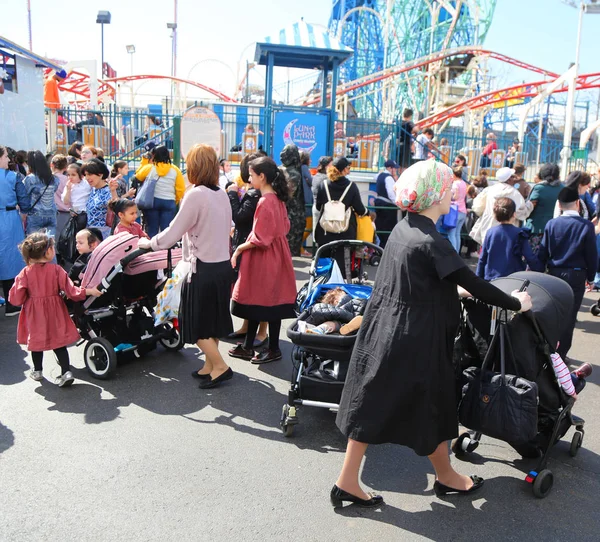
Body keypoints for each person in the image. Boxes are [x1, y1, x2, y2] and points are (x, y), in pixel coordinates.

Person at [331, 159, 532, 508]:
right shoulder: (432, 240)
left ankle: (354, 480)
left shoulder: (404, 229)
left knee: (372, 405)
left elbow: (418, 281)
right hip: (417, 339)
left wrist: (453, 291)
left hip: (386, 329)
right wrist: (516, 303)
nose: (453, 195)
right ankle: (446, 476)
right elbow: (475, 284)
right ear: (436, 194)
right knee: (434, 406)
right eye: (449, 189)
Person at [138, 144, 234, 389]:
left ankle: (220, 366)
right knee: (212, 320)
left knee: (196, 322)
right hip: (222, 265)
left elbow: (172, 233)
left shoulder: (195, 194)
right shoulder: (221, 193)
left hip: (201, 267)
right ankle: (210, 365)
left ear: (194, 167)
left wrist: (149, 243)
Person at [8, 232, 101, 387]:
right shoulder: (56, 270)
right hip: (56, 310)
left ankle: (37, 371)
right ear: (48, 251)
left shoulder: (25, 273)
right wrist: (89, 291)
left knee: (36, 342)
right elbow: (72, 292)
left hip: (34, 313)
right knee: (59, 342)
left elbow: (15, 299)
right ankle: (66, 371)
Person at [228, 157, 297, 364]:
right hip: (277, 254)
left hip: (263, 257)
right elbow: (284, 228)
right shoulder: (277, 198)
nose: (249, 179)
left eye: (251, 175)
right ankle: (254, 347)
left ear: (262, 176)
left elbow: (260, 238)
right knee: (268, 301)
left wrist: (239, 248)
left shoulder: (265, 202)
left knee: (259, 299)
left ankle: (267, 348)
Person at [538, 187, 598, 360]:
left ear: (559, 204)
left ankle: (547, 350)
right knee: (569, 317)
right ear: (578, 204)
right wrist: (591, 277)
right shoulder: (586, 226)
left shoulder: (551, 224)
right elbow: (591, 255)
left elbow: (543, 253)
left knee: (552, 314)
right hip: (576, 275)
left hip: (554, 274)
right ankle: (560, 355)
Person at [226, 153, 268, 347]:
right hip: (249, 243)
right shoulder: (256, 192)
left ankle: (262, 332)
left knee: (258, 291)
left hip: (252, 246)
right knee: (250, 290)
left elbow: (240, 217)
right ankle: (246, 327)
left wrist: (232, 194)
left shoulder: (255, 194)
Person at [476, 197, 541, 281]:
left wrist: (478, 278)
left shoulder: (490, 232)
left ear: (495, 215)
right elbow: (530, 257)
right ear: (514, 214)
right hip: (513, 278)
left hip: (491, 277)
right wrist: (539, 269)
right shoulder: (520, 233)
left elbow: (483, 258)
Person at [0, 145, 31, 317]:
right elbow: (25, 203)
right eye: (5, 157)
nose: (8, 160)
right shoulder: (14, 176)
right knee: (11, 260)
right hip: (9, 219)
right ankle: (12, 304)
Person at [470, 166, 532, 246]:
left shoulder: (489, 190)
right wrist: (530, 205)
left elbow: (477, 207)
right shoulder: (514, 193)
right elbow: (521, 213)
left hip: (488, 227)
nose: (514, 179)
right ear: (509, 179)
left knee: (487, 251)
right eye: (513, 177)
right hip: (507, 230)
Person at [314, 157, 369, 247]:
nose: (349, 171)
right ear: (343, 170)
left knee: (324, 259)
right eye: (348, 168)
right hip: (345, 234)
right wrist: (367, 212)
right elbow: (360, 209)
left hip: (324, 233)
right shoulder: (351, 186)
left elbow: (318, 207)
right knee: (343, 260)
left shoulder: (323, 185)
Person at [133, 145, 185, 237]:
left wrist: (144, 161)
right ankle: (167, 250)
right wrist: (174, 200)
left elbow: (138, 176)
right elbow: (180, 189)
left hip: (152, 202)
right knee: (167, 230)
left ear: (154, 155)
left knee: (152, 229)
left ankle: (152, 250)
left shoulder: (150, 168)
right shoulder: (175, 170)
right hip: (169, 202)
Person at [524, 163, 562, 254]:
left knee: (533, 259)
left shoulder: (539, 188)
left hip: (537, 229)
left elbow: (530, 206)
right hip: (556, 230)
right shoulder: (563, 188)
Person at [24, 150, 59, 236]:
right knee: (50, 243)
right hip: (51, 213)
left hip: (36, 214)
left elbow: (24, 194)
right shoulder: (54, 178)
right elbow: (54, 189)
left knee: (34, 244)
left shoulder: (30, 179)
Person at [81, 158, 118, 239]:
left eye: (90, 174)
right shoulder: (93, 189)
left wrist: (113, 191)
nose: (87, 178)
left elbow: (116, 207)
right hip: (91, 234)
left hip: (104, 235)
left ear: (100, 174)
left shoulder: (108, 190)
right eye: (85, 175)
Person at [280, 144, 305, 257]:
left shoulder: (286, 171)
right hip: (290, 216)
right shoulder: (291, 172)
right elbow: (287, 195)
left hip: (290, 216)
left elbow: (286, 194)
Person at [373, 159, 400, 248]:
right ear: (389, 168)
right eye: (394, 168)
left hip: (379, 203)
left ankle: (380, 247)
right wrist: (398, 204)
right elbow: (391, 194)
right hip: (387, 206)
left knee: (380, 226)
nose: (395, 170)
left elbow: (375, 177)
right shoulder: (389, 178)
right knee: (388, 228)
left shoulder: (380, 175)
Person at [449, 166, 468, 253]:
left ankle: (453, 253)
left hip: (455, 211)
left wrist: (450, 198)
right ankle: (457, 253)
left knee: (451, 234)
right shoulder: (464, 183)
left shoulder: (455, 184)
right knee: (457, 234)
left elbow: (455, 197)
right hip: (463, 210)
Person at [51, 154, 70, 236]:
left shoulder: (48, 179)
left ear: (52, 165)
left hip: (52, 212)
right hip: (67, 213)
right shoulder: (68, 180)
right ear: (65, 167)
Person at [300, 151, 314, 257]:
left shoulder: (298, 167)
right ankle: (299, 246)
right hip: (307, 200)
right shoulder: (304, 168)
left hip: (302, 200)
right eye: (309, 159)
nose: (311, 161)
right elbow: (311, 181)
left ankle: (298, 246)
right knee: (309, 225)